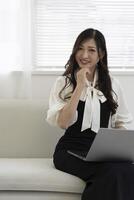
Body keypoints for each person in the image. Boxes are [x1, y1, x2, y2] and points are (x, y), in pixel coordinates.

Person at [46, 28, 133, 200]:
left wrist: (122, 147)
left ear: (100, 54)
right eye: (80, 48)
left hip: (100, 153)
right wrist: (79, 85)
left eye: (91, 50)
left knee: (128, 169)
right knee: (110, 172)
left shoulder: (112, 84)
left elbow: (120, 123)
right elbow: (64, 122)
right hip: (69, 151)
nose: (84, 54)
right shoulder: (63, 82)